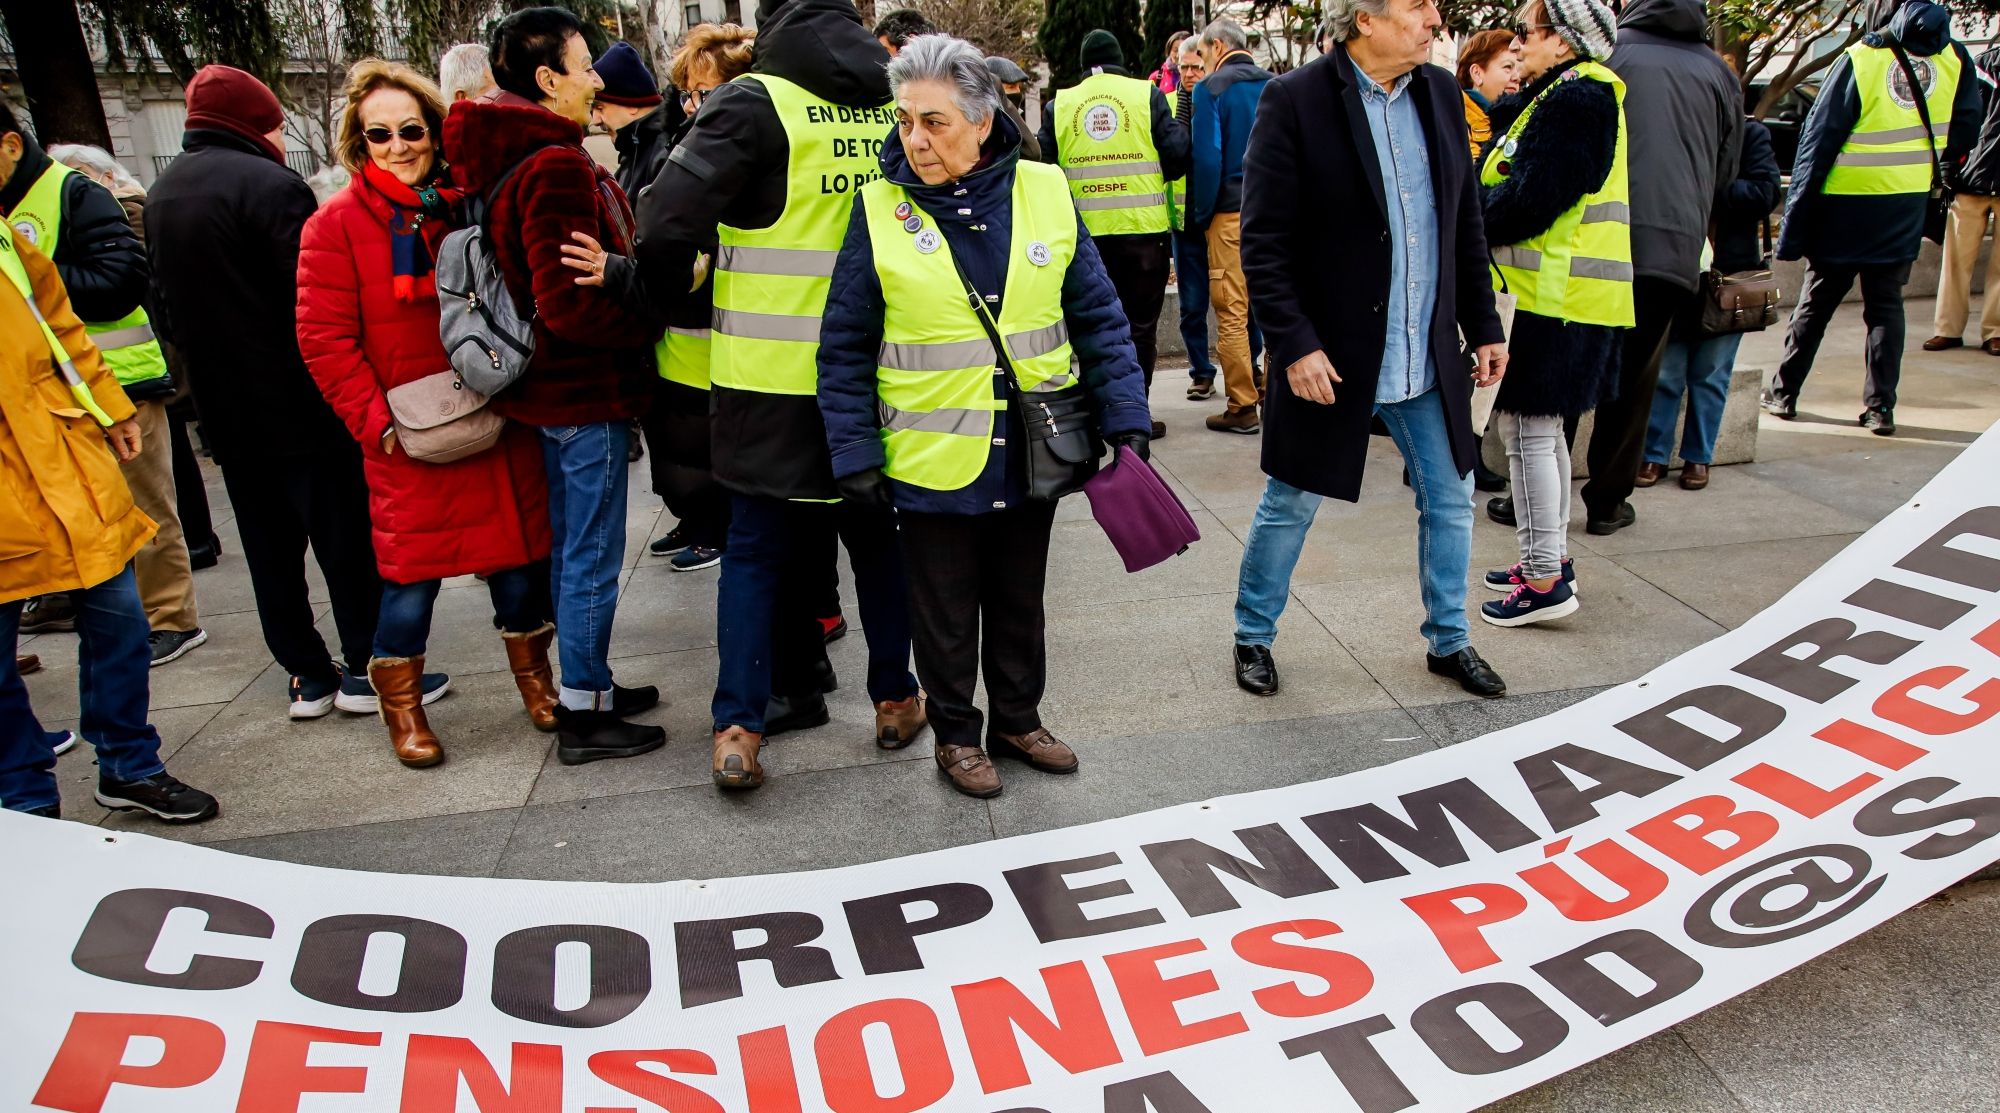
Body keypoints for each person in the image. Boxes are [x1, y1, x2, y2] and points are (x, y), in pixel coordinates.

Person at [818, 35, 1151, 798]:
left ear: (981, 118)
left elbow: (1097, 314)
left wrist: (1126, 413)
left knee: (1017, 596)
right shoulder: (878, 210)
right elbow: (843, 345)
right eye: (904, 122)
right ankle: (958, 736)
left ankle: (1018, 719)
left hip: (1034, 447)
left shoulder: (1045, 189)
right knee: (939, 608)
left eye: (933, 122)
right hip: (930, 456)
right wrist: (854, 451)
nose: (914, 139)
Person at [636, 0, 923, 790]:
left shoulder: (753, 104)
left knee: (756, 552)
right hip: (878, 377)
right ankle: (897, 698)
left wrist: (673, 294)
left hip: (765, 382)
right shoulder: (899, 101)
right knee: (878, 544)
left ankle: (739, 727)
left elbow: (660, 227)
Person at [1233, 0, 1510, 699]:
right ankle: (1253, 634)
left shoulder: (1442, 91)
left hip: (1425, 352)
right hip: (1334, 354)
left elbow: (1463, 219)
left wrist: (1483, 323)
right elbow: (1263, 242)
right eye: (1416, 6)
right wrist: (1293, 343)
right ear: (1365, 18)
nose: (1434, 20)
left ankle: (1449, 642)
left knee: (1451, 495)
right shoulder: (1294, 100)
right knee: (1291, 499)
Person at [296, 61, 563, 768]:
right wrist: (375, 423)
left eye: (411, 129)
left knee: (517, 572)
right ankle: (403, 710)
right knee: (409, 585)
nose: (397, 145)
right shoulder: (333, 226)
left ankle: (538, 685)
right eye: (378, 133)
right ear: (359, 140)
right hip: (409, 438)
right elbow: (322, 338)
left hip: (492, 415)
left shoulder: (465, 203)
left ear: (434, 131)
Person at [147, 65, 422, 721]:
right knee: (342, 539)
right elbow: (313, 301)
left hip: (225, 410)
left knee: (268, 551)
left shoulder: (161, 194)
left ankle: (305, 672)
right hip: (300, 404)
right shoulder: (270, 186)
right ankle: (364, 663)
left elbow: (168, 307)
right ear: (256, 123)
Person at [443, 7, 665, 760]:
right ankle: (583, 714)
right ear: (548, 79)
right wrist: (646, 327)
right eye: (584, 63)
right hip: (582, 393)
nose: (596, 77)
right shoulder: (555, 163)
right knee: (589, 554)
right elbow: (566, 302)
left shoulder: (517, 154)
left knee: (578, 547)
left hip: (553, 396)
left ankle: (589, 682)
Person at [0, 222, 219, 823]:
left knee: (120, 622)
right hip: (22, 472)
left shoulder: (4, 238)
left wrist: (110, 405)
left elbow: (61, 328)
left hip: (59, 458)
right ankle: (23, 794)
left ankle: (127, 762)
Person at [15, 132, 208, 670]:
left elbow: (120, 282)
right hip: (46, 395)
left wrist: (30, 278)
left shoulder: (76, 195)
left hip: (120, 382)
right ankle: (104, 614)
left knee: (146, 509)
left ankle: (172, 620)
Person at [1477, 0, 1628, 629]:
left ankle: (1542, 576)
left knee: (1530, 433)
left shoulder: (1580, 99)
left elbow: (1534, 197)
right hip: (1556, 296)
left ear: (1563, 41)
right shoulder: (1562, 93)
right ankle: (1550, 561)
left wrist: (1469, 220)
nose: (1516, 45)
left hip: (1555, 300)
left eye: (1527, 32)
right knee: (1536, 432)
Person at [1563, 0, 1739, 535]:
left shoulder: (1607, 52)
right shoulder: (1717, 71)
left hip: (1593, 242)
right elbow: (1725, 172)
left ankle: (1535, 499)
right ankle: (1607, 503)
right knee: (1636, 377)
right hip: (1673, 250)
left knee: (1567, 368)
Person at [1766, 0, 1978, 435]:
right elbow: (1967, 128)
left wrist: (1796, 219)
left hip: (1845, 205)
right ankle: (1881, 409)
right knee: (1885, 309)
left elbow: (1818, 141)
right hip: (1905, 205)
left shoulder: (1861, 58)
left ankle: (1784, 394)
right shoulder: (1956, 58)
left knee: (1816, 305)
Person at [641, 22, 756, 573]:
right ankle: (700, 521)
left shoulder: (742, 152)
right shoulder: (681, 144)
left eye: (705, 95)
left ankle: (716, 529)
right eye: (687, 94)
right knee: (682, 438)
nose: (693, 107)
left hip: (725, 332)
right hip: (681, 328)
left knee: (707, 443)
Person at [1042, 29, 1190, 438]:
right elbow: (1177, 158)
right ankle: (1134, 415)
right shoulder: (1147, 95)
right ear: (1121, 59)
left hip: (1081, 238)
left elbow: (1043, 167)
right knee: (1139, 327)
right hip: (1143, 235)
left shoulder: (1062, 103)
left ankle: (1093, 410)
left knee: (1089, 327)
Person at [1640, 117, 1781, 490]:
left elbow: (1765, 193)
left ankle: (1698, 458)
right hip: (1675, 268)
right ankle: (1654, 455)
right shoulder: (1676, 131)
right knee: (1666, 372)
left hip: (1726, 275)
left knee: (1711, 373)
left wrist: (1708, 187)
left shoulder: (1751, 134)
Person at [1190, 18, 1273, 434]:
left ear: (1217, 46)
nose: (1201, 64)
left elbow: (1207, 159)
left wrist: (1201, 214)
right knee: (1278, 304)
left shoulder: (1211, 89)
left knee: (1232, 312)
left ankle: (1242, 405)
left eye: (1202, 54)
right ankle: (1278, 396)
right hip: (1279, 212)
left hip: (1231, 213)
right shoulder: (1277, 84)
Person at [1928, 41, 2000, 355]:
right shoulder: (1983, 65)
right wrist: (1948, 166)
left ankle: (1995, 332)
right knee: (1956, 261)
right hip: (1971, 179)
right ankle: (1947, 329)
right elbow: (1960, 117)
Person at [1457, 28, 1522, 161]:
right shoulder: (1452, 117)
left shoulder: (1521, 121)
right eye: (1508, 67)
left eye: (1519, 68)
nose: (1517, 77)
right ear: (1477, 73)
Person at [985, 55, 1043, 163]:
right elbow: (1032, 152)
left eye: (1018, 87)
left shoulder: (1014, 118)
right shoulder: (984, 129)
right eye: (1011, 87)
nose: (1017, 92)